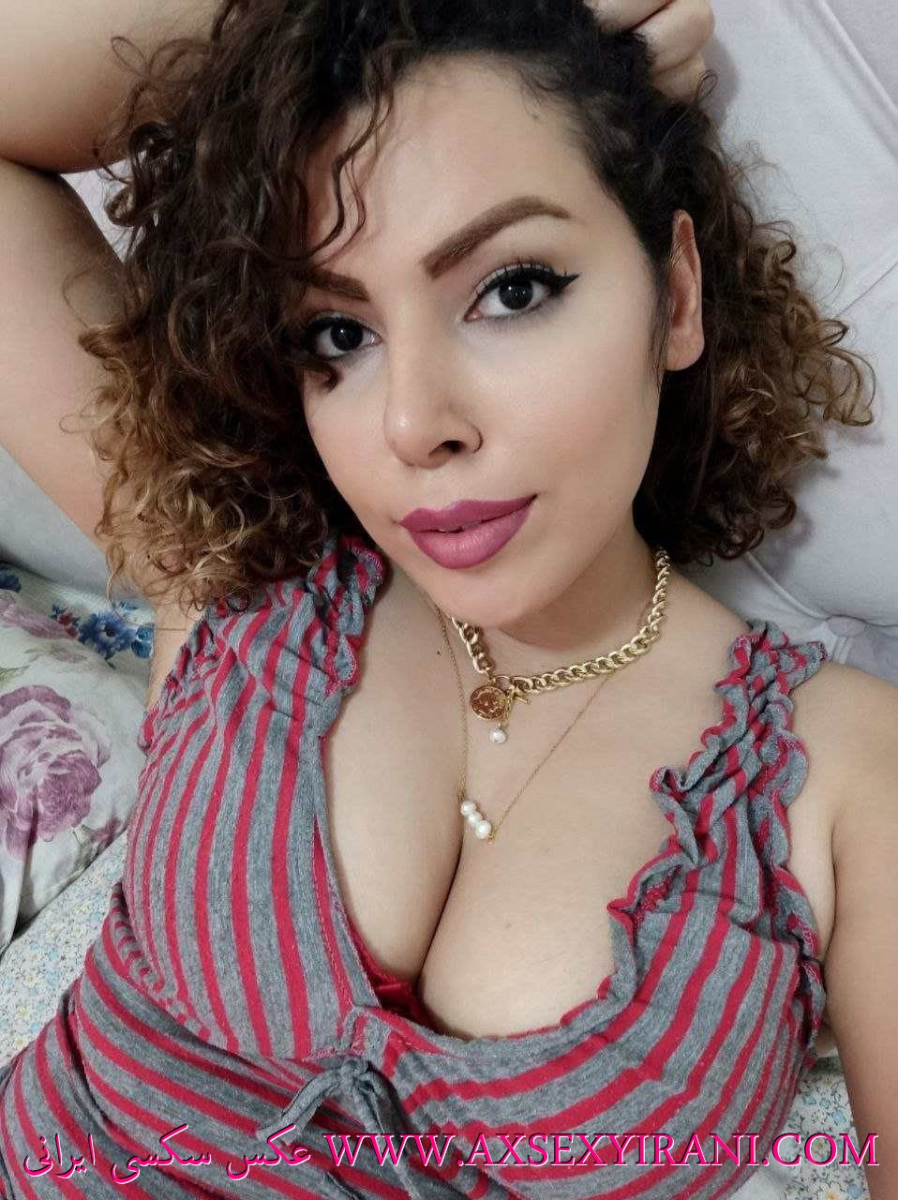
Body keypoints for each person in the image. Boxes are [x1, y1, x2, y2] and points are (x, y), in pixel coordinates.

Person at [0, 0, 895, 1197]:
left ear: (675, 295)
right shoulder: (240, 562)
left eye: (511, 290)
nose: (415, 423)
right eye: (336, 333)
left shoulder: (843, 773)